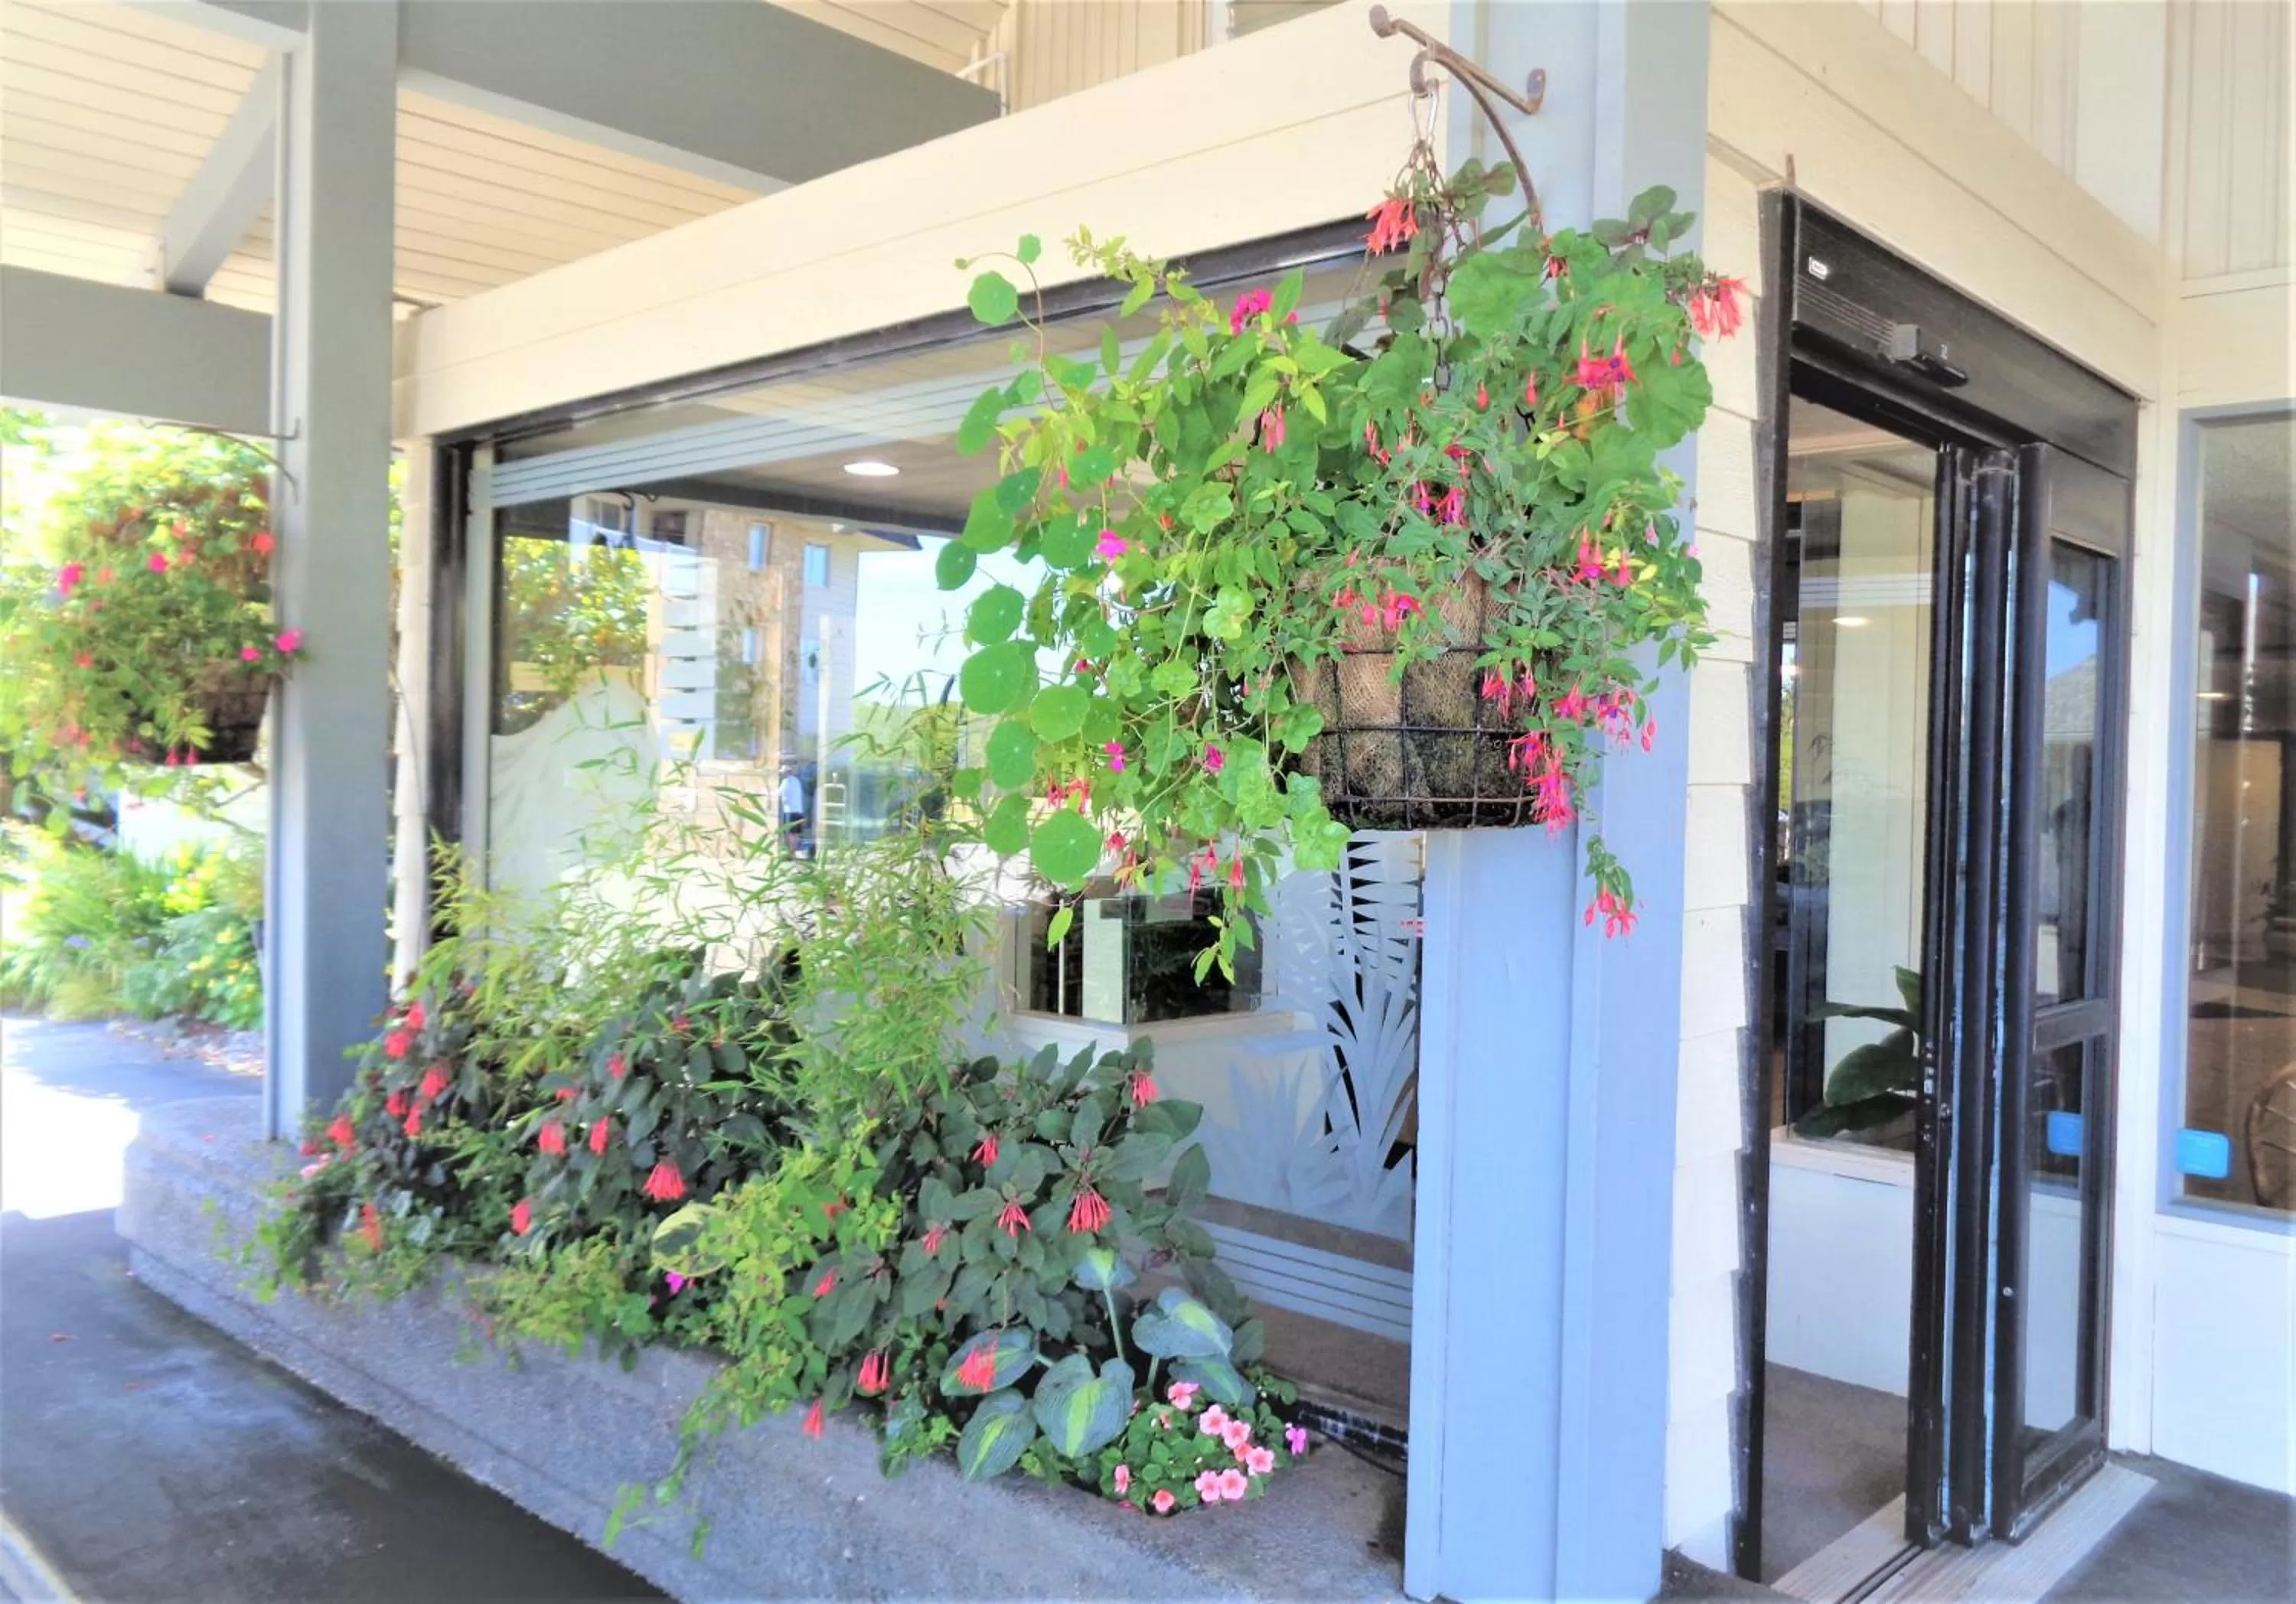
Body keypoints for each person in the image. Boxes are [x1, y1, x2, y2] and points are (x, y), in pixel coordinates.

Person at [778, 762, 808, 856]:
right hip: (799, 811)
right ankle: (794, 852)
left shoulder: (785, 782)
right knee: (796, 834)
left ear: (786, 773)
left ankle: (791, 853)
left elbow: (779, 794)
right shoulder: (797, 781)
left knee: (789, 833)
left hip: (789, 812)